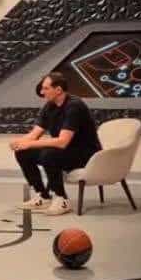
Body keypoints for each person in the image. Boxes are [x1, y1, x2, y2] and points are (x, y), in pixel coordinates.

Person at [10, 72, 102, 215]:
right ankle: (43, 196)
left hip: (87, 154)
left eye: (46, 88)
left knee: (49, 155)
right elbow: (34, 134)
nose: (42, 92)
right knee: (23, 152)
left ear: (58, 90)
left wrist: (30, 144)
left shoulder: (74, 106)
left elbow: (62, 142)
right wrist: (20, 142)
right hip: (65, 151)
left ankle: (62, 199)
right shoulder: (49, 106)